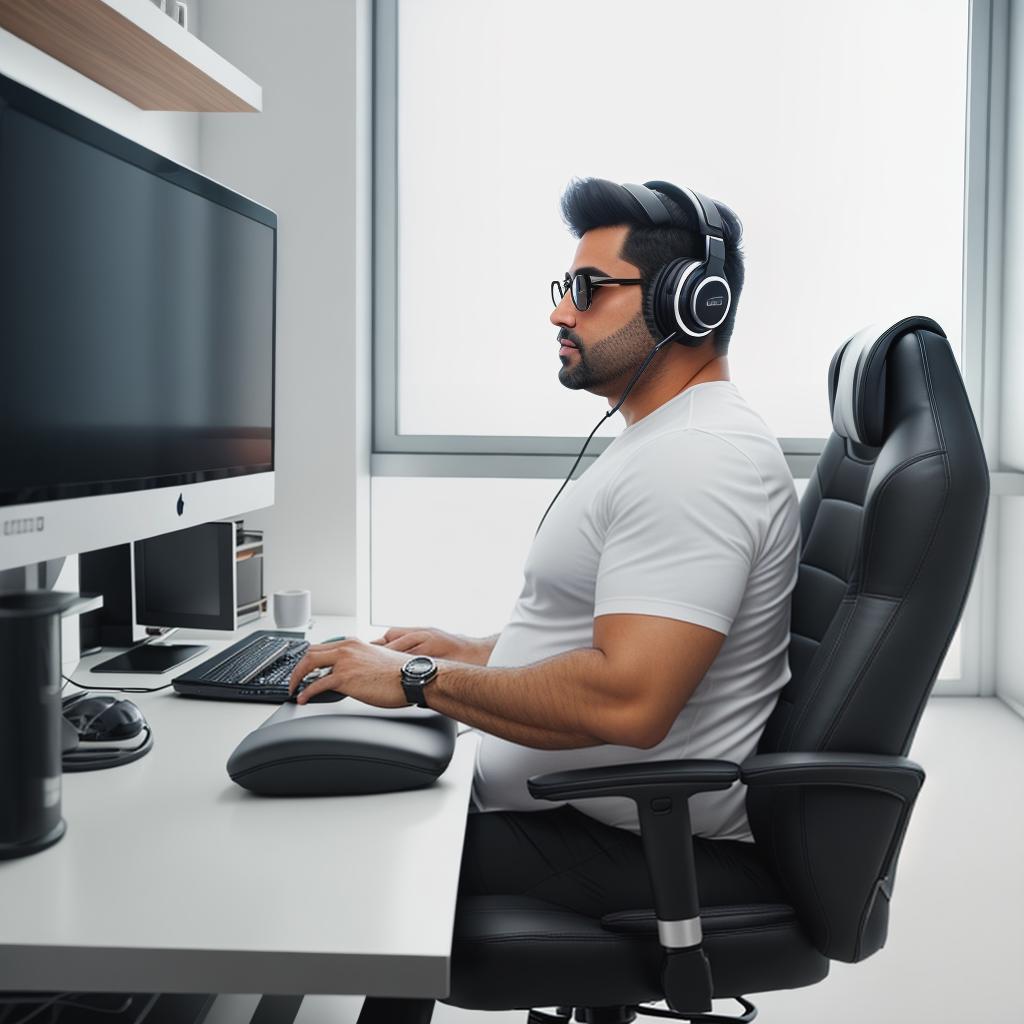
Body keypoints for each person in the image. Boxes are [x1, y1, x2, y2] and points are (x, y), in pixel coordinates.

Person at [289, 178, 801, 1024]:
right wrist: (474, 650)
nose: (562, 313)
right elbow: (623, 637)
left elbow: (630, 699)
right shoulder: (665, 443)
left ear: (691, 303)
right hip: (597, 824)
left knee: (360, 849)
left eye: (590, 290)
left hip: (637, 847)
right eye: (564, 288)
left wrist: (415, 678)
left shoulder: (697, 461)